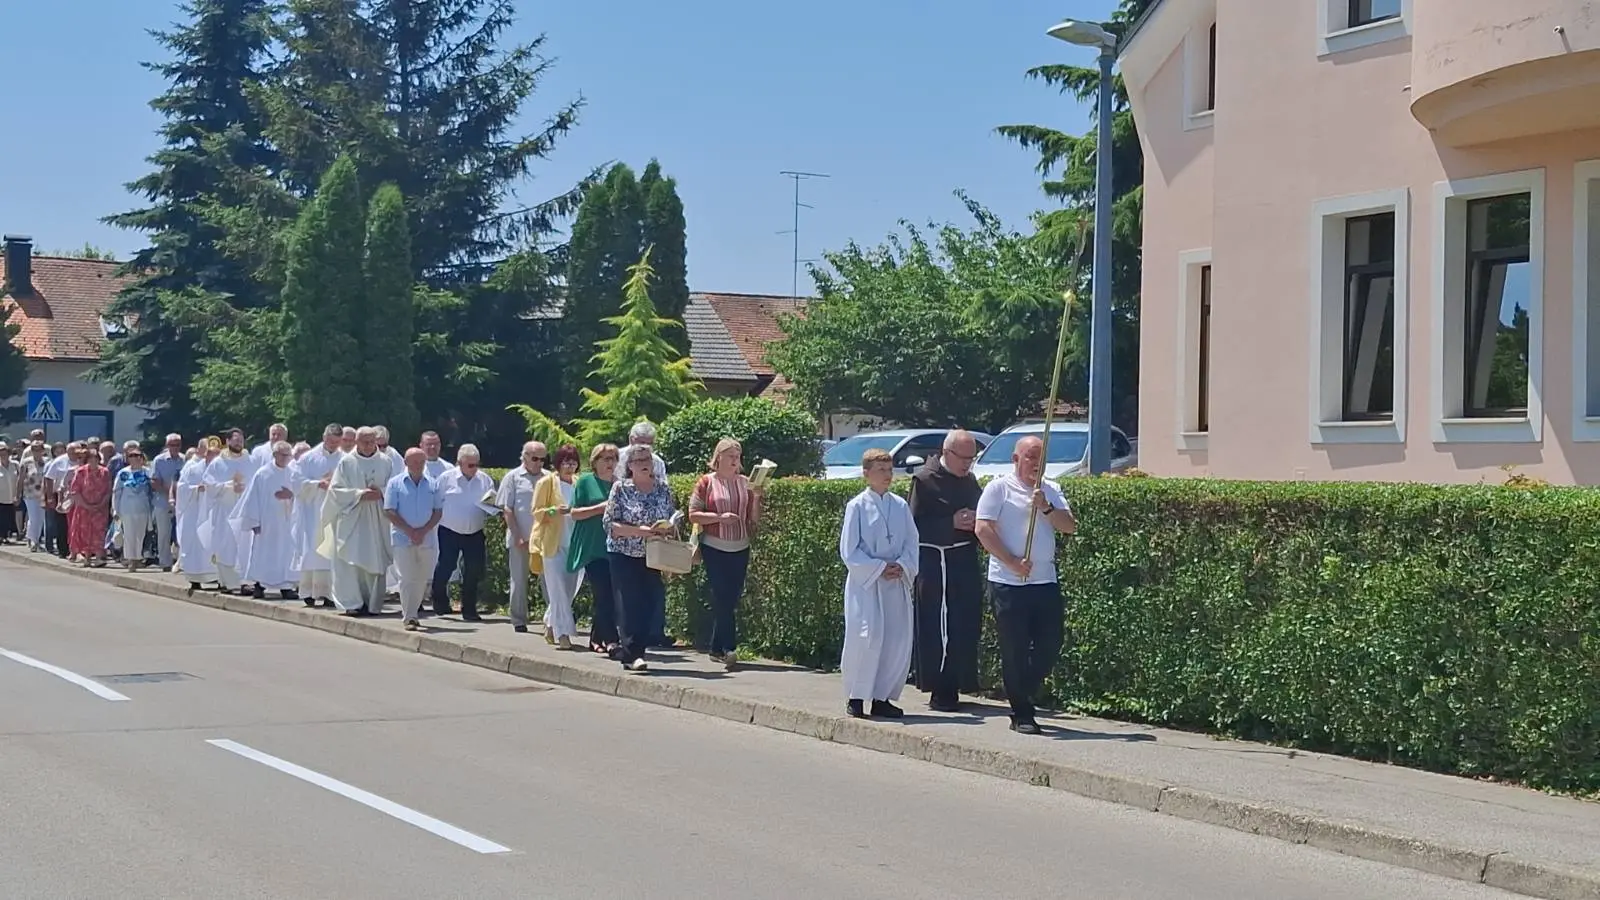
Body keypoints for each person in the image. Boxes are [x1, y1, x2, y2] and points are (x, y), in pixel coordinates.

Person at [973, 435, 1076, 736]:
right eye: (1030, 457)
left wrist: (1045, 508)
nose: (1036, 463)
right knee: (1015, 647)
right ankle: (1021, 712)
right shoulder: (998, 488)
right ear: (1016, 459)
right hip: (1009, 582)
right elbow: (983, 528)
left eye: (1041, 458)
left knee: (1050, 642)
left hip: (1044, 581)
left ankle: (1023, 688)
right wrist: (1011, 561)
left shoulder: (1051, 490)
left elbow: (1069, 526)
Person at [838, 447, 920, 719]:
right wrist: (879, 567)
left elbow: (911, 542)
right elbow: (850, 550)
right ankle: (857, 696)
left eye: (890, 469)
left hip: (894, 584)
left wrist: (903, 565)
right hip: (868, 585)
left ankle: (882, 696)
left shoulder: (900, 505)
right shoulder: (857, 506)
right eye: (881, 470)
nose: (887, 475)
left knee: (895, 639)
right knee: (867, 637)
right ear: (866, 474)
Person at [908, 430, 984, 712]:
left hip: (963, 560)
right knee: (937, 627)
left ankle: (960, 682)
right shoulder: (924, 481)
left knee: (964, 625)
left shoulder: (970, 481)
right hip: (934, 563)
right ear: (946, 452)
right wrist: (950, 522)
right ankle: (939, 689)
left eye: (971, 458)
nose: (967, 464)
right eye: (963, 458)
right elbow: (913, 527)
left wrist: (976, 523)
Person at [687, 438, 763, 671]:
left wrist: (757, 497)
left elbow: (754, 519)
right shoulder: (706, 482)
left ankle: (715, 647)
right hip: (714, 545)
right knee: (721, 595)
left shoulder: (745, 482)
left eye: (738, 457)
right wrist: (719, 518)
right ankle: (730, 647)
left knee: (732, 596)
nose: (735, 461)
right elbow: (693, 514)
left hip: (740, 545)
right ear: (718, 457)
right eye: (730, 456)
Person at [603, 443, 678, 672]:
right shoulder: (620, 488)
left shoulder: (662, 488)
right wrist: (640, 531)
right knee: (629, 604)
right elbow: (610, 524)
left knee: (650, 603)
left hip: (653, 554)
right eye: (640, 461)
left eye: (648, 460)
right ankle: (632, 655)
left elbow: (670, 515)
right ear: (630, 466)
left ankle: (639, 648)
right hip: (623, 553)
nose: (646, 465)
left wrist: (669, 527)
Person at [320, 426, 395, 616]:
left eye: (371, 441)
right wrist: (359, 495)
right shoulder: (346, 462)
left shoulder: (386, 462)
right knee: (350, 561)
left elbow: (395, 487)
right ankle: (352, 602)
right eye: (364, 441)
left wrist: (381, 493)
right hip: (352, 519)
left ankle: (372, 603)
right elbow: (335, 492)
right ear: (356, 442)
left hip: (377, 519)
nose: (369, 445)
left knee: (375, 561)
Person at [430, 444, 495, 621]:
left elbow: (492, 503)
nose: (474, 469)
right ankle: (439, 600)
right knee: (447, 565)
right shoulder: (446, 478)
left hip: (475, 531)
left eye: (476, 464)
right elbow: (436, 502)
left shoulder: (484, 480)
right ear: (459, 463)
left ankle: (469, 609)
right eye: (470, 465)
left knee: (473, 570)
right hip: (449, 529)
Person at [385, 447, 444, 631]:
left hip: (426, 539)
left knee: (421, 578)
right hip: (403, 538)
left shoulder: (433, 484)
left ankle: (412, 613)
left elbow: (437, 512)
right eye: (415, 462)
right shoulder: (395, 484)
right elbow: (389, 511)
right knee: (406, 577)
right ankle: (409, 615)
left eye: (422, 462)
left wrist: (423, 531)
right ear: (406, 462)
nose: (419, 465)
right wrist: (410, 531)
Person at [532, 444, 585, 649]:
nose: (569, 466)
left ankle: (550, 622)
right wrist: (555, 511)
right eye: (565, 462)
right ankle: (564, 635)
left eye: (573, 462)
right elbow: (537, 512)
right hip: (552, 544)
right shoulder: (547, 483)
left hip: (575, 543)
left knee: (570, 589)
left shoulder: (580, 483)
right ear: (558, 464)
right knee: (558, 590)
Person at [569, 444, 619, 654]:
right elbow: (574, 513)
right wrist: (599, 508)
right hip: (592, 546)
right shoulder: (585, 482)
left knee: (611, 596)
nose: (609, 463)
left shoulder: (620, 484)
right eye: (604, 459)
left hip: (616, 547)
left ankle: (596, 638)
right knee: (604, 593)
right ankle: (612, 641)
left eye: (613, 459)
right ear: (595, 461)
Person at [234, 441, 299, 600]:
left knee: (286, 553)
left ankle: (286, 587)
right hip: (267, 523)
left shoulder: (293, 473)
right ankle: (259, 585)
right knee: (263, 553)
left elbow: (301, 494)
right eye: (283, 455)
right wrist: (254, 521)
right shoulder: (263, 474)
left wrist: (291, 495)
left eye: (288, 455)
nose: (286, 458)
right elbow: (252, 498)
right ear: (275, 455)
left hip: (287, 523)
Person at [627, 421, 672, 644]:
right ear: (631, 441)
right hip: (628, 538)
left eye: (649, 445)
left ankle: (655, 632)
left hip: (654, 537)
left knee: (654, 586)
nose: (646, 449)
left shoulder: (659, 463)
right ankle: (630, 634)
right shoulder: (620, 458)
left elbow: (664, 490)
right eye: (641, 444)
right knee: (629, 589)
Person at [496, 441, 547, 633]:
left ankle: (553, 619)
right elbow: (507, 509)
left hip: (543, 539)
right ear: (524, 457)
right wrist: (517, 536)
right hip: (520, 537)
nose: (539, 463)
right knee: (518, 580)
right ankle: (518, 619)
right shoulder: (512, 477)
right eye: (535, 458)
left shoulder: (549, 477)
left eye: (543, 459)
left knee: (548, 580)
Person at [291, 424, 343, 608]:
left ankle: (329, 593)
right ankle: (309, 592)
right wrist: (317, 484)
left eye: (337, 442)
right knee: (313, 549)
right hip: (312, 511)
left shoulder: (344, 459)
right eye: (330, 441)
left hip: (334, 511)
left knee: (331, 551)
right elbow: (296, 482)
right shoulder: (308, 458)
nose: (333, 445)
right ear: (324, 437)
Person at [203, 428, 256, 594]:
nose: (239, 443)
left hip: (244, 511)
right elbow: (209, 484)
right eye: (236, 440)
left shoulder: (251, 461)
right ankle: (226, 582)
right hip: (225, 511)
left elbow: (257, 483)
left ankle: (244, 582)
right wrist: (229, 486)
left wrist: (245, 488)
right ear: (227, 441)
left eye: (241, 440)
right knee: (225, 546)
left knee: (245, 546)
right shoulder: (219, 462)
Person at [176, 438, 220, 594]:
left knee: (215, 544)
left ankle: (218, 578)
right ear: (202, 452)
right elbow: (181, 488)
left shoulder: (221, 469)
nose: (212, 456)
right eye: (209, 453)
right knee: (196, 545)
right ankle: (195, 579)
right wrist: (196, 489)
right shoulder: (192, 468)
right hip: (194, 513)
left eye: (216, 453)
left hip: (214, 513)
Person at [110, 446, 155, 571]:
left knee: (140, 534)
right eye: (131, 456)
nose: (134, 458)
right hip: (127, 507)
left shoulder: (147, 472)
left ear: (142, 457)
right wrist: (115, 509)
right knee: (129, 534)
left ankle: (137, 558)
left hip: (143, 507)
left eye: (137, 455)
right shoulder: (123, 473)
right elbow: (116, 492)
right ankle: (131, 561)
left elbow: (153, 490)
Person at [67, 445, 113, 568]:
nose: (93, 461)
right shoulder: (80, 472)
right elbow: (75, 491)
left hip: (100, 508)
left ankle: (99, 557)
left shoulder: (105, 472)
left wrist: (101, 504)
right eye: (91, 459)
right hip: (83, 508)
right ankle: (86, 557)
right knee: (84, 532)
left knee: (99, 532)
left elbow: (108, 490)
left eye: (96, 459)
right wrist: (86, 505)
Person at [149, 434, 185, 571]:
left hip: (182, 502)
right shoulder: (159, 460)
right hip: (162, 501)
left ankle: (181, 562)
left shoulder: (185, 459)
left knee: (181, 533)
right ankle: (165, 562)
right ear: (167, 445)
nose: (175, 447)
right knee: (163, 533)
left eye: (177, 445)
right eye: (172, 445)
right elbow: (154, 481)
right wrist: (170, 492)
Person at [42, 441, 72, 558]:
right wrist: (48, 497)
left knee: (73, 524)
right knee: (60, 524)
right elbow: (48, 479)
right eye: (57, 450)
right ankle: (62, 549)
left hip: (75, 495)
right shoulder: (58, 462)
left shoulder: (80, 460)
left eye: (62, 450)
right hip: (59, 495)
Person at [20, 441, 49, 552]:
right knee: (33, 517)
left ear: (43, 451)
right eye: (34, 449)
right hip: (29, 493)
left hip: (43, 494)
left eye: (39, 449)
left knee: (41, 518)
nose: (37, 452)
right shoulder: (26, 462)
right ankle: (33, 541)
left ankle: (34, 538)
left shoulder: (48, 462)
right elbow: (21, 479)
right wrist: (17, 493)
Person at [0, 442, 18, 545]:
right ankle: (1, 536)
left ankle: (6, 536)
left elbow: (20, 479)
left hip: (12, 496)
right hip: (1, 496)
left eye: (5, 453)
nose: (3, 456)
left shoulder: (15, 465)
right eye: (1, 454)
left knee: (9, 518)